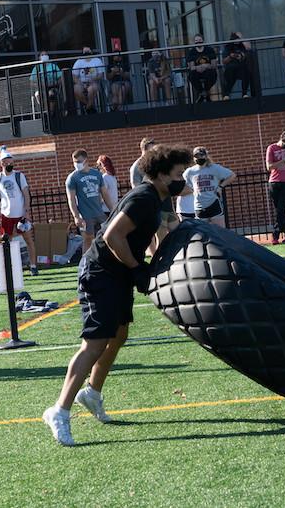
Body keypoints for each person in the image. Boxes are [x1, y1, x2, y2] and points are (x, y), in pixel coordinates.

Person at [43, 144, 193, 446]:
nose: (183, 180)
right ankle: (59, 411)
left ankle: (92, 393)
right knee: (96, 342)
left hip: (119, 271)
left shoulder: (158, 199)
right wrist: (137, 268)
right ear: (162, 175)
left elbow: (150, 234)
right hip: (100, 272)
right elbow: (112, 236)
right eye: (178, 174)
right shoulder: (143, 197)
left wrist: (147, 263)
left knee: (119, 335)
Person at [0, 148, 39, 276]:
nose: (9, 164)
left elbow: (26, 194)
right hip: (6, 215)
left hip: (20, 214)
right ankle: (10, 267)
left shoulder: (19, 176)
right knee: (7, 241)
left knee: (28, 239)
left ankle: (33, 266)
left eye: (10, 162)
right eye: (6, 162)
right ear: (1, 163)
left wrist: (26, 211)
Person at [131, 137, 178, 252]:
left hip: (167, 204)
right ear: (145, 149)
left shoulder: (157, 162)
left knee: (177, 232)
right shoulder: (137, 167)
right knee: (160, 237)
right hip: (154, 205)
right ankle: (157, 263)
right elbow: (136, 188)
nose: (155, 151)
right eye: (152, 149)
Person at [66, 149, 116, 254]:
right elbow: (71, 199)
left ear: (86, 161)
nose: (77, 164)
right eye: (75, 162)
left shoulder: (97, 174)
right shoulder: (72, 178)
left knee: (107, 237)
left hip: (99, 213)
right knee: (88, 240)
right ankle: (86, 265)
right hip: (85, 215)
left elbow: (105, 194)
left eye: (79, 162)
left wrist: (113, 209)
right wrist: (76, 216)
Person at [182, 147, 237, 227]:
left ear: (206, 156)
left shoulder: (215, 168)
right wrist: (191, 190)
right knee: (203, 233)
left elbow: (232, 175)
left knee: (220, 232)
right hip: (199, 206)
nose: (199, 158)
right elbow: (182, 182)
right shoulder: (190, 172)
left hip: (214, 204)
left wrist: (220, 187)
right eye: (196, 156)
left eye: (201, 155)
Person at [72, 46, 104, 113]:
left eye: (88, 51)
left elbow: (101, 75)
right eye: (85, 52)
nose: (86, 53)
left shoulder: (97, 60)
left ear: (91, 52)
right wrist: (81, 84)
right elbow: (74, 76)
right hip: (82, 83)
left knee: (91, 89)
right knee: (75, 89)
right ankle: (89, 106)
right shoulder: (78, 62)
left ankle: (87, 107)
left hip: (94, 82)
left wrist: (93, 80)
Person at [186, 34, 218, 103]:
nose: (198, 42)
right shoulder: (191, 52)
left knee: (212, 73)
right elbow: (191, 67)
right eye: (196, 40)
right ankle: (203, 93)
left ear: (203, 40)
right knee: (192, 74)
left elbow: (214, 65)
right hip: (197, 72)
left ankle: (203, 93)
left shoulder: (209, 50)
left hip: (208, 71)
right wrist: (199, 67)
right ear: (194, 42)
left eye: (200, 40)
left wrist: (206, 66)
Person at [30, 50, 62, 116]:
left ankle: (50, 113)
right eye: (42, 55)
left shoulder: (54, 66)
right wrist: (39, 85)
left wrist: (56, 83)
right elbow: (32, 82)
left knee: (50, 94)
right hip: (40, 88)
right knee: (38, 94)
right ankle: (44, 111)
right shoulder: (36, 68)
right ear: (39, 57)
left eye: (46, 55)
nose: (44, 56)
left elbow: (60, 78)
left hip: (52, 87)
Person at [221, 32, 251, 100]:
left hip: (241, 67)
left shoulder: (242, 45)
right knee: (229, 74)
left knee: (246, 71)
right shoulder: (228, 47)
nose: (237, 41)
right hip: (231, 68)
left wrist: (241, 56)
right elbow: (224, 61)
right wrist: (230, 56)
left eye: (238, 39)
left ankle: (244, 93)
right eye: (235, 39)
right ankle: (226, 95)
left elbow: (248, 49)